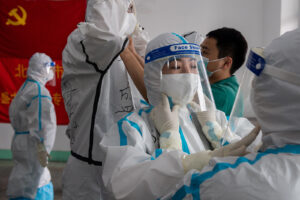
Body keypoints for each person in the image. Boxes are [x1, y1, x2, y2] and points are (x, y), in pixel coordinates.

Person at [99, 32, 259, 200]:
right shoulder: (133, 127)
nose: (189, 74)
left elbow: (254, 152)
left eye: (193, 66)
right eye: (176, 67)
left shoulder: (213, 118)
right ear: (155, 75)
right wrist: (184, 164)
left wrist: (220, 135)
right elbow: (122, 185)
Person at [158, 28, 300, 200]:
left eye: (195, 63)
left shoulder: (231, 182)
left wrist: (171, 141)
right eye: (177, 66)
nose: (189, 72)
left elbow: (168, 192)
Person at [61, 0, 149, 199]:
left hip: (125, 162)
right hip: (90, 170)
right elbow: (150, 89)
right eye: (125, 10)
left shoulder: (119, 46)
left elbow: (145, 56)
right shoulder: (88, 41)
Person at [7, 52, 57, 200]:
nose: (51, 72)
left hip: (22, 147)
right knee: (35, 182)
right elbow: (46, 129)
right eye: (49, 68)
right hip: (33, 150)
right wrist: (44, 152)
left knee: (22, 178)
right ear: (43, 69)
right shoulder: (39, 93)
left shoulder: (25, 90)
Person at [200, 27, 248, 116]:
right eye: (200, 50)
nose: (198, 56)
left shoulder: (222, 94)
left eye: (205, 52)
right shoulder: (227, 86)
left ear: (226, 62)